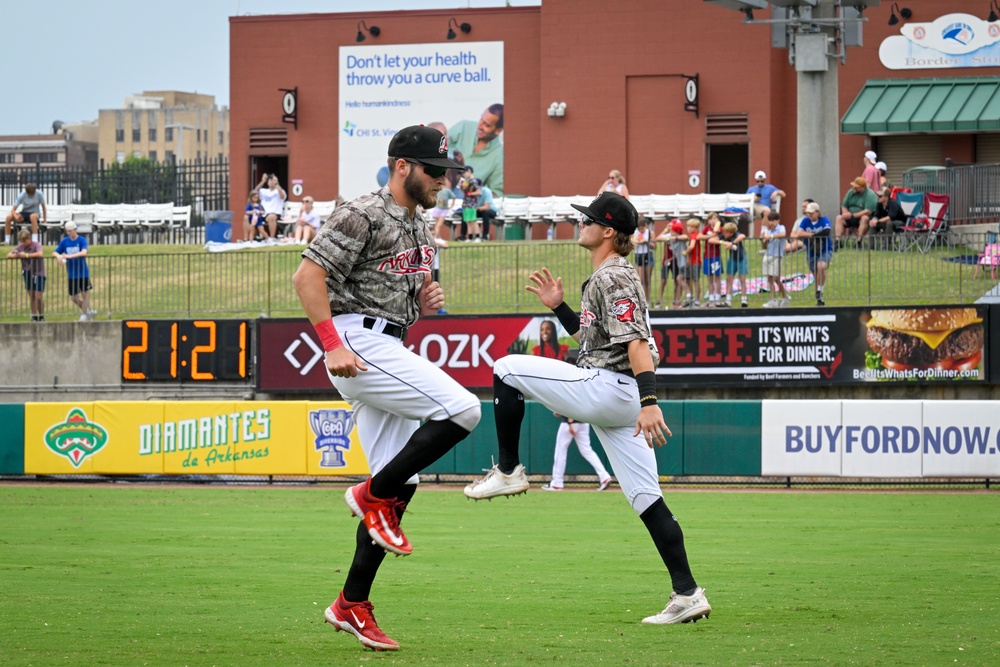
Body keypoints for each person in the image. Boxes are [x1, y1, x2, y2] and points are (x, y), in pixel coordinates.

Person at [463, 191, 712, 626]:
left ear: (609, 230)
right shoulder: (609, 275)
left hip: (612, 390)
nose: (582, 224)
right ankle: (688, 593)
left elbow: (635, 342)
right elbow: (594, 341)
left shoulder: (612, 276)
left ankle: (508, 470)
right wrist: (560, 307)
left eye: (589, 220)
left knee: (505, 368)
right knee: (648, 500)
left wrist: (650, 402)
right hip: (618, 395)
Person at [292, 124, 481, 652]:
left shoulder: (421, 228)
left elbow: (394, 298)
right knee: (464, 410)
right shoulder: (361, 212)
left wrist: (419, 308)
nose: (443, 180)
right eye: (434, 171)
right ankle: (370, 496)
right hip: (355, 343)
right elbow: (307, 278)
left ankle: (351, 603)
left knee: (406, 480)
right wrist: (331, 344)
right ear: (403, 166)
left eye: (445, 172)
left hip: (388, 341)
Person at [541, 413, 613, 492]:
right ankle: (604, 477)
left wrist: (570, 422)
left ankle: (557, 483)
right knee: (587, 451)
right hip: (584, 423)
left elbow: (570, 405)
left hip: (570, 423)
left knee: (560, 452)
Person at [448, 104, 504, 196]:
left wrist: (475, 192)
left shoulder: (499, 155)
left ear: (498, 130)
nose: (480, 126)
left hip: (464, 202)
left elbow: (496, 193)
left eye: (487, 125)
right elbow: (436, 146)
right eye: (481, 119)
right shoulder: (464, 127)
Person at [53, 221, 96, 321]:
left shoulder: (82, 240)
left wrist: (69, 256)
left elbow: (84, 252)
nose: (68, 233)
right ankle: (88, 311)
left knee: (85, 294)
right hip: (72, 274)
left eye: (70, 231)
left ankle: (84, 315)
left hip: (83, 272)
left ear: (75, 230)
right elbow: (55, 252)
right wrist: (59, 256)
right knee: (73, 297)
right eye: (67, 231)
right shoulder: (64, 241)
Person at [792, 202, 832, 307]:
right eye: (808, 213)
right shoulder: (805, 221)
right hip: (811, 250)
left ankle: (820, 290)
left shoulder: (824, 220)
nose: (809, 215)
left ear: (817, 212)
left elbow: (826, 232)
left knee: (821, 267)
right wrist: (813, 235)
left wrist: (811, 236)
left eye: (812, 213)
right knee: (815, 273)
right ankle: (819, 297)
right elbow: (799, 233)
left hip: (825, 248)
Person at [7, 228, 46, 321]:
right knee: (32, 296)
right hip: (27, 273)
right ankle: (33, 316)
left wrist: (27, 255)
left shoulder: (36, 244)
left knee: (38, 297)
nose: (23, 243)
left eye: (24, 241)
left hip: (39, 273)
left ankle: (42, 316)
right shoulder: (21, 247)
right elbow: (9, 255)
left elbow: (40, 253)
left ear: (29, 238)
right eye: (21, 242)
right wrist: (17, 255)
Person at [710, 221, 748, 308]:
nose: (724, 234)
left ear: (731, 232)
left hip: (741, 257)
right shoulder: (724, 236)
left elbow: (742, 236)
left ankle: (744, 299)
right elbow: (711, 240)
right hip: (732, 258)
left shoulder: (736, 234)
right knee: (729, 279)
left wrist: (732, 243)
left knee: (742, 278)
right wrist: (723, 242)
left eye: (725, 232)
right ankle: (728, 300)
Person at [835, 177, 877, 245]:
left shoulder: (870, 195)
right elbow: (844, 205)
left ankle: (858, 242)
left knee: (865, 218)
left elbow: (868, 211)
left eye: (857, 187)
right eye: (854, 186)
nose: (854, 188)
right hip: (850, 216)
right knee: (839, 218)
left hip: (862, 218)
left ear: (863, 187)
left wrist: (852, 215)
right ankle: (838, 241)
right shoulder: (851, 192)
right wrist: (845, 214)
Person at [760, 212, 788, 308]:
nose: (771, 223)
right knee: (770, 278)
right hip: (768, 254)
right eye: (770, 221)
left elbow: (783, 234)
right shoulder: (769, 230)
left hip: (777, 255)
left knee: (776, 278)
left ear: (778, 220)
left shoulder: (781, 228)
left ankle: (785, 297)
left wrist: (771, 236)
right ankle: (772, 300)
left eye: (773, 221)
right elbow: (765, 245)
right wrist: (763, 239)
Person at [746, 171, 785, 237]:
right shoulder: (751, 189)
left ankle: (763, 232)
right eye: (758, 181)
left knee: (767, 210)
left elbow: (783, 194)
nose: (760, 183)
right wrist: (754, 199)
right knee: (766, 210)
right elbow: (745, 199)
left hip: (764, 208)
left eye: (762, 181)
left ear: (764, 180)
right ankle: (763, 231)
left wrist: (776, 192)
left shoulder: (770, 187)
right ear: (755, 180)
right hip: (754, 206)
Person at [700, 213, 722, 307]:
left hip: (715, 256)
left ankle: (717, 298)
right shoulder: (706, 228)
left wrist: (717, 224)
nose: (714, 220)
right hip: (707, 256)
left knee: (717, 277)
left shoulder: (719, 228)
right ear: (708, 220)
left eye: (716, 218)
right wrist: (710, 236)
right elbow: (699, 236)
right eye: (712, 218)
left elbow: (717, 231)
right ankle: (711, 298)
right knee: (709, 278)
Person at [255, 173, 287, 238]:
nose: (271, 182)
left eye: (273, 180)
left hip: (275, 213)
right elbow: (255, 191)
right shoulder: (263, 191)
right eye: (270, 180)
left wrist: (276, 183)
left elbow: (282, 196)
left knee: (271, 217)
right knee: (247, 217)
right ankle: (247, 239)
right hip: (263, 213)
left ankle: (272, 238)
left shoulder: (280, 191)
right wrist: (263, 181)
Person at [458, 166, 482, 242]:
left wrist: (470, 193)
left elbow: (479, 192)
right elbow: (463, 191)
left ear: (469, 171)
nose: (464, 174)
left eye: (465, 172)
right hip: (465, 203)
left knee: (473, 220)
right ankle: (470, 237)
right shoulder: (464, 181)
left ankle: (477, 236)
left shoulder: (474, 181)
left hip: (472, 203)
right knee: (468, 221)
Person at [633, 217, 653, 300]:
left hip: (647, 255)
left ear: (646, 226)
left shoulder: (650, 233)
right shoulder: (634, 233)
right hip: (638, 255)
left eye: (643, 228)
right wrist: (636, 241)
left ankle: (647, 300)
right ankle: (640, 299)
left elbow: (654, 245)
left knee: (647, 280)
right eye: (639, 229)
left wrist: (646, 241)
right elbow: (632, 242)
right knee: (639, 279)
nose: (641, 231)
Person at [683, 218, 702, 307]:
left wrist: (685, 252)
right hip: (691, 261)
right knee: (686, 278)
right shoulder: (691, 235)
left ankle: (697, 299)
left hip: (696, 261)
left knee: (695, 280)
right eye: (688, 226)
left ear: (696, 228)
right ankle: (691, 296)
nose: (689, 228)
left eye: (692, 227)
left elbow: (692, 246)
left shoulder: (694, 235)